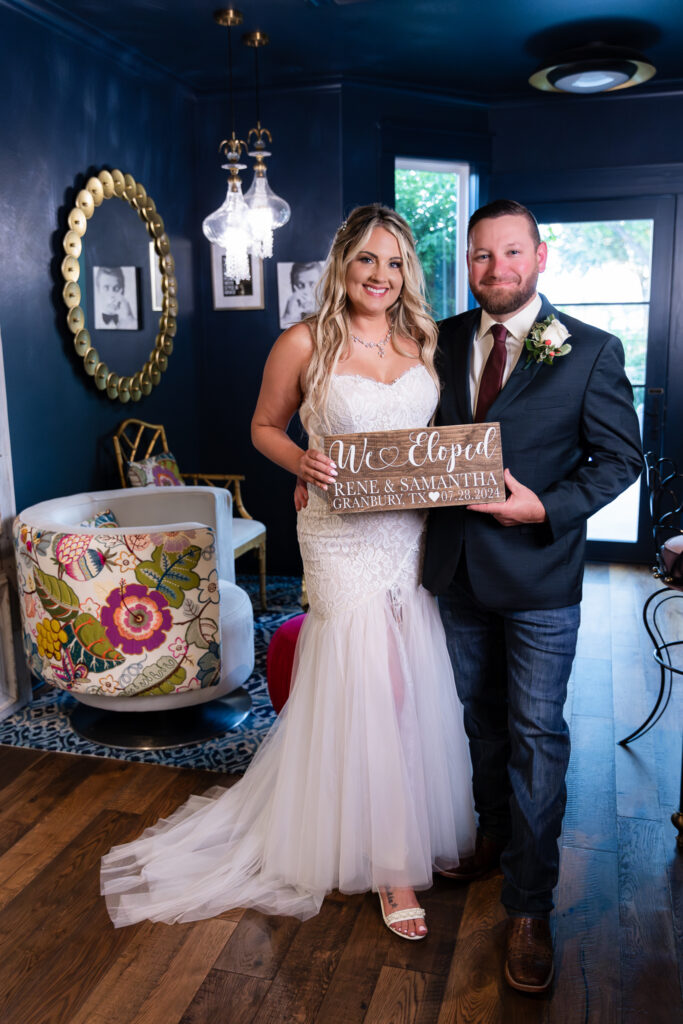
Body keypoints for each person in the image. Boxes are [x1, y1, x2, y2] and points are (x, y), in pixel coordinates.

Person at [101, 205, 476, 939]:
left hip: (409, 532)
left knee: (405, 683)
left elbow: (439, 439)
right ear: (342, 264)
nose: (380, 275)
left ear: (408, 274)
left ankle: (366, 824)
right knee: (364, 678)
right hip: (337, 534)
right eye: (366, 260)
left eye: (394, 262)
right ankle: (390, 864)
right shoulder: (303, 341)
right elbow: (264, 427)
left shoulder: (424, 340)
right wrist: (300, 462)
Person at [422, 199, 643, 991]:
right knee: (478, 722)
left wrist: (544, 506)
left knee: (536, 736)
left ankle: (529, 905)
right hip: (452, 570)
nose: (495, 269)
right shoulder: (438, 338)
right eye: (480, 256)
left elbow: (620, 460)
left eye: (510, 253)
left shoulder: (588, 350)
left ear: (539, 257)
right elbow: (407, 439)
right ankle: (490, 839)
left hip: (541, 577)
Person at [280, 260, 322, 328]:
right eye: (300, 285)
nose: (306, 290)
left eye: (312, 284)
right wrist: (288, 316)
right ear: (293, 287)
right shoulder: (290, 314)